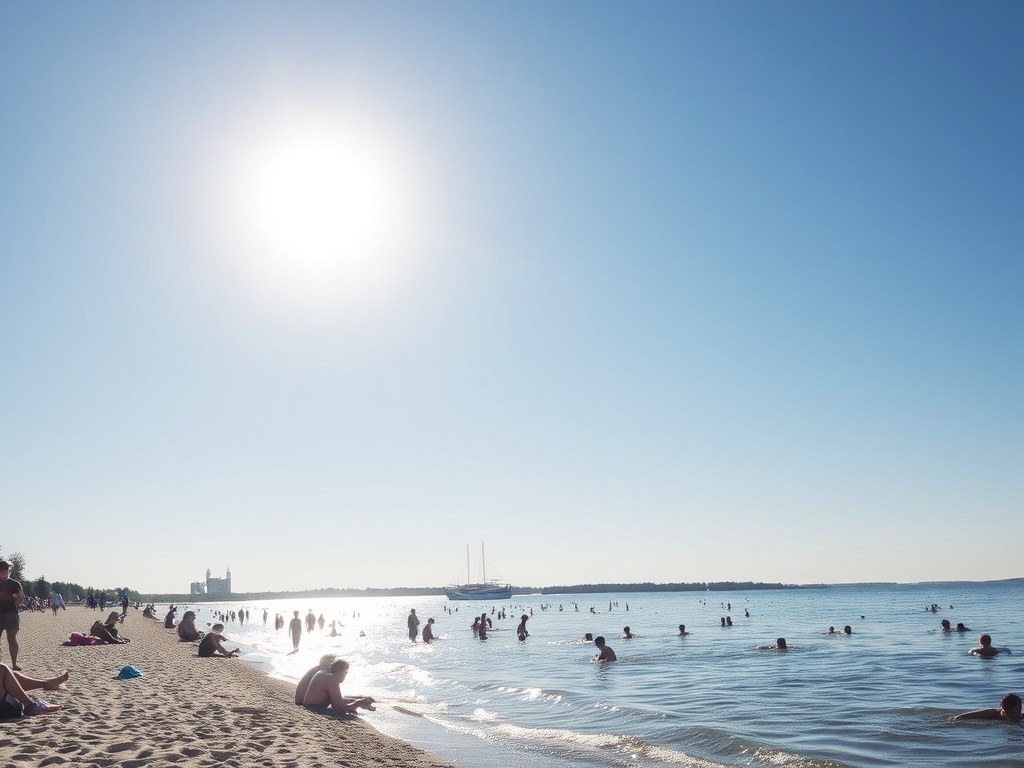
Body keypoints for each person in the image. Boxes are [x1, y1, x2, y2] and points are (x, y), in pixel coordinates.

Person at [301, 658, 375, 715]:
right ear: (341, 672)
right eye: (345, 673)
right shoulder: (332, 680)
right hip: (314, 709)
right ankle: (362, 701)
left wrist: (360, 699)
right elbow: (339, 711)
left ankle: (364, 700)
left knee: (348, 700)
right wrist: (358, 703)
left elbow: (337, 699)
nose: (345, 676)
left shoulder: (324, 673)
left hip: (310, 706)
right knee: (352, 714)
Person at [0, 663, 66, 717]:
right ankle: (29, 704)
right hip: (6, 709)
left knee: (11, 674)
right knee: (2, 670)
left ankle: (46, 683)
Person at [0, 561, 23, 670]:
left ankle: (14, 664)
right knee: (11, 639)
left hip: (11, 614)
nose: (7, 573)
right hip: (6, 614)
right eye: (6, 571)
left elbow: (19, 599)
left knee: (12, 639)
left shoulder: (15, 583)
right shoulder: (14, 583)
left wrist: (17, 597)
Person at [953, 693, 1021, 723]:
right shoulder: (991, 713)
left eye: (1014, 713)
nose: (1012, 716)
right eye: (1008, 713)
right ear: (1001, 709)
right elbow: (959, 718)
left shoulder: (1021, 717)